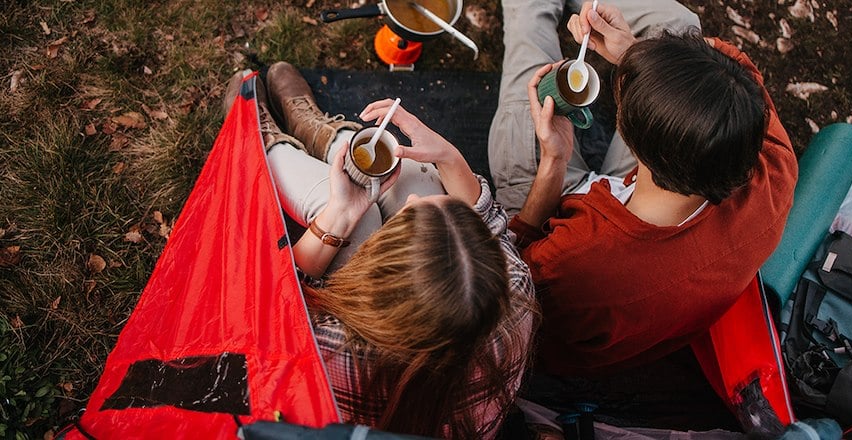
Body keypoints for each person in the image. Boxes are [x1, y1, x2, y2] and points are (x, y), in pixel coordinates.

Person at [491, 0, 797, 403]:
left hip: (557, 220)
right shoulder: (773, 166)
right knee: (679, 25)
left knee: (529, 45)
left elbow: (512, 274)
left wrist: (553, 163)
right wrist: (633, 51)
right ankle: (592, 11)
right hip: (646, 205)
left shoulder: (575, 265)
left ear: (631, 140)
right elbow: (732, 64)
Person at [222, 62, 536, 438]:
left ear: (380, 274)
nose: (417, 198)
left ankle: (263, 145)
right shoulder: (514, 297)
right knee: (405, 172)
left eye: (411, 212)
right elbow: (490, 221)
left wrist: (339, 212)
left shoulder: (335, 348)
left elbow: (278, 301)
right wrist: (447, 156)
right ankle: (330, 136)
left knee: (342, 203)